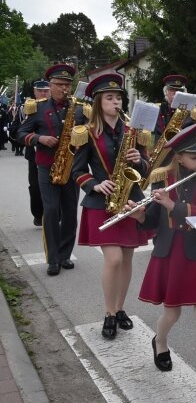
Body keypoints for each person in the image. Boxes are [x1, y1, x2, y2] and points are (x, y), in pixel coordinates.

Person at [129, 120, 196, 402]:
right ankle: (159, 341)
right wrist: (138, 216)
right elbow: (152, 220)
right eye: (195, 156)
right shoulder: (161, 179)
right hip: (170, 252)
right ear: (180, 157)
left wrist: (174, 206)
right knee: (172, 312)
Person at [71, 73, 151, 339]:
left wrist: (139, 159)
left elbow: (147, 169)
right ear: (98, 102)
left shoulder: (134, 132)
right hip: (102, 201)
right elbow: (78, 170)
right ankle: (108, 312)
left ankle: (119, 309)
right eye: (109, 97)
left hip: (131, 199)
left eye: (119, 98)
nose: (116, 102)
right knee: (114, 258)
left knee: (127, 258)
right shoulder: (87, 133)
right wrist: (94, 184)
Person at [17, 64, 84, 276]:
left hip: (72, 168)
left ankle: (65, 255)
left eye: (67, 85)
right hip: (46, 166)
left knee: (71, 213)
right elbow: (20, 133)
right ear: (50, 85)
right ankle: (53, 258)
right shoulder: (38, 108)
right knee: (52, 211)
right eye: (59, 84)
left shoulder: (80, 109)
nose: (64, 88)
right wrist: (39, 138)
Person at [21, 81, 49, 225]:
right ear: (34, 92)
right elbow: (17, 132)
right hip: (34, 154)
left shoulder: (53, 108)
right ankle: (38, 214)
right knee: (35, 185)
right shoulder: (27, 108)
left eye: (46, 91)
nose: (43, 94)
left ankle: (53, 214)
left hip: (52, 153)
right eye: (40, 91)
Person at [153, 75, 196, 141]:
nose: (176, 93)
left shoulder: (192, 110)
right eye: (172, 90)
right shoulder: (157, 109)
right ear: (166, 92)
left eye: (180, 90)